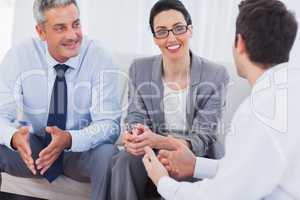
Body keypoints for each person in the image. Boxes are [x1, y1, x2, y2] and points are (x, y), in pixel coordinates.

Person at [142, 0, 299, 199]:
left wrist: (163, 182)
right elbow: (248, 169)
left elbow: (222, 195)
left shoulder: (259, 111)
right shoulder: (289, 88)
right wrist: (196, 165)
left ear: (239, 43)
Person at [0, 0, 121, 199]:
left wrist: (69, 139)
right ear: (41, 32)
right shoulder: (20, 55)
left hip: (81, 152)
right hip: (36, 150)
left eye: (76, 24)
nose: (73, 35)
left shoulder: (100, 57)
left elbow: (109, 125)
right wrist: (13, 137)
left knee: (107, 155)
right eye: (60, 28)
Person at [110, 0, 229, 199]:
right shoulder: (139, 69)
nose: (171, 38)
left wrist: (160, 141)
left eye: (178, 28)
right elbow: (135, 117)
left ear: (190, 30)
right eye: (162, 31)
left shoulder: (216, 75)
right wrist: (136, 136)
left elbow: (203, 137)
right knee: (125, 160)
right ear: (155, 38)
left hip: (196, 154)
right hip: (153, 151)